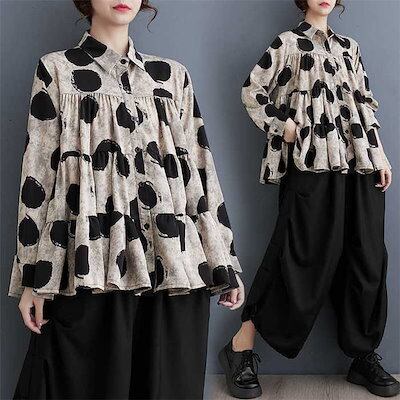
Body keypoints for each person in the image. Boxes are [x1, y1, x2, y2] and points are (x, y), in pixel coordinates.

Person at [8, 1, 244, 398]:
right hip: (90, 264)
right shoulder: (57, 70)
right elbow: (37, 176)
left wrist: (225, 259)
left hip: (175, 265)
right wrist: (32, 278)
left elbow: (201, 172)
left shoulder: (171, 76)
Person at [218, 0, 399, 398]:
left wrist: (380, 154)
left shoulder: (349, 47)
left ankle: (362, 356)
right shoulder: (287, 43)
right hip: (311, 163)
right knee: (298, 253)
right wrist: (282, 126)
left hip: (361, 164)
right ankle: (240, 347)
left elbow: (365, 102)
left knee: (367, 258)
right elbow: (252, 90)